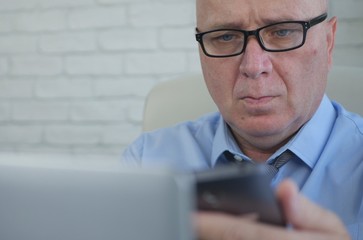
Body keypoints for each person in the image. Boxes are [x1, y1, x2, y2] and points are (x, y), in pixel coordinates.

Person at [123, 0, 363, 239]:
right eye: (225, 37)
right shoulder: (145, 164)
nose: (254, 66)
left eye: (282, 32)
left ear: (328, 42)